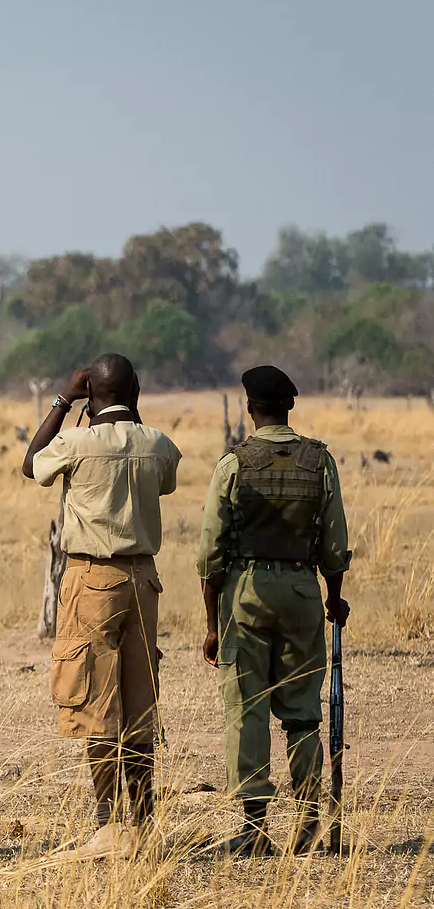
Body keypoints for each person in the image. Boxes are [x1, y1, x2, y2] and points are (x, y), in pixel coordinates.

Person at [22, 353, 182, 860]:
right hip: (144, 579)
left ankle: (110, 827)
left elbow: (32, 465)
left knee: (95, 704)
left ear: (91, 393)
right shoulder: (158, 443)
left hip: (92, 579)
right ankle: (143, 824)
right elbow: (167, 479)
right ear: (135, 393)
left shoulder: (76, 442)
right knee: (139, 706)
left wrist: (63, 399)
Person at [196, 365, 351, 858]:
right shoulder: (320, 461)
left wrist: (210, 622)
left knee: (246, 709)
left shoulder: (235, 463)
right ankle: (307, 817)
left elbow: (209, 554)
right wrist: (332, 595)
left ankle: (255, 827)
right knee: (304, 711)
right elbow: (336, 544)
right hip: (304, 590)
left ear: (250, 409)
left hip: (246, 591)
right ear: (289, 407)